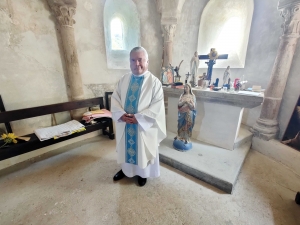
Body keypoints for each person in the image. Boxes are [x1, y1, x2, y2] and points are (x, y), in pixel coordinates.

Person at [111, 47, 166, 187]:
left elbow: (157, 106)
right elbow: (115, 99)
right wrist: (121, 115)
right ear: (129, 62)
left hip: (143, 127)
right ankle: (126, 171)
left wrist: (139, 118)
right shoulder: (123, 79)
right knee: (126, 148)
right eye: (133, 60)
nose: (137, 64)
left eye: (140, 60)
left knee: (142, 150)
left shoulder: (154, 83)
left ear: (147, 61)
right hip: (125, 123)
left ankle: (143, 174)